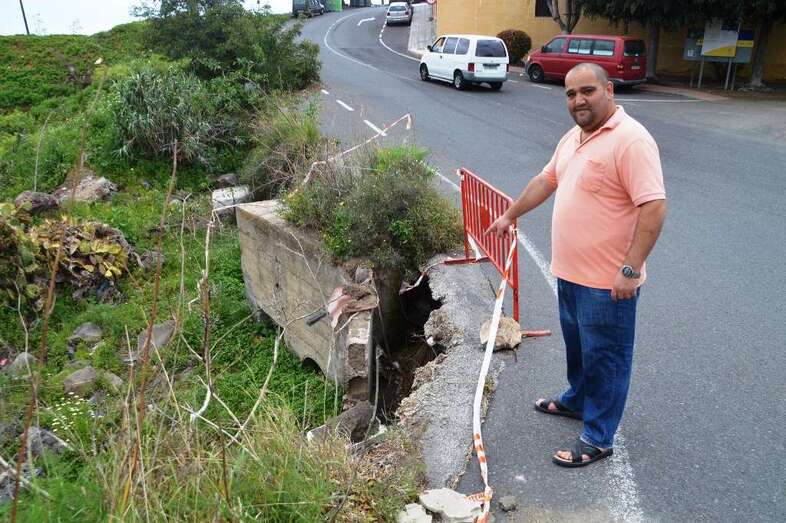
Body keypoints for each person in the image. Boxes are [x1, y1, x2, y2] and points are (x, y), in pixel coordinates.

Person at [485, 62, 667, 467]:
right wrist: (510, 214)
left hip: (608, 284)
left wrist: (630, 269)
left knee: (607, 359)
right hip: (569, 275)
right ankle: (578, 399)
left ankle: (599, 437)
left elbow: (654, 207)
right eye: (571, 94)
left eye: (587, 91)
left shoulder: (631, 140)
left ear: (609, 90)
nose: (578, 100)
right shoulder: (574, 137)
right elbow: (546, 180)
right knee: (581, 351)